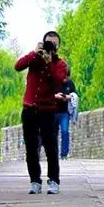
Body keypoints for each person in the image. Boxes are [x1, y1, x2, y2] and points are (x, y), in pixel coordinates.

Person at [14, 31, 69, 194]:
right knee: (31, 148)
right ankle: (35, 181)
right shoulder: (34, 59)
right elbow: (18, 66)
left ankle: (53, 181)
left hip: (48, 110)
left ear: (58, 46)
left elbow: (58, 83)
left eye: (54, 43)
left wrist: (49, 63)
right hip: (30, 108)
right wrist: (34, 52)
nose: (50, 46)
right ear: (43, 42)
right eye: (48, 43)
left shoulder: (60, 65)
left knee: (51, 147)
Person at [56, 75, 78, 160]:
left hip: (64, 112)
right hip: (53, 111)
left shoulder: (70, 83)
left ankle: (64, 154)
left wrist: (69, 97)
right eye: (64, 77)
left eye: (67, 78)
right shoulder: (54, 81)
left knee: (65, 132)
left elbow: (74, 95)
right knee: (53, 133)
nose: (66, 80)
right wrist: (56, 96)